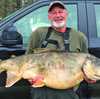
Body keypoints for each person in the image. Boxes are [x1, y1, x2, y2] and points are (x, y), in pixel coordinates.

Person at [26, 1, 89, 99]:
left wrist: (90, 77)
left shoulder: (79, 37)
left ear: (66, 14)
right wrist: (31, 77)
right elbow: (27, 60)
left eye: (60, 12)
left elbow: (87, 65)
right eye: (54, 13)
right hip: (42, 93)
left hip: (69, 94)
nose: (58, 15)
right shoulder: (38, 33)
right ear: (49, 16)